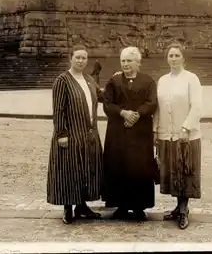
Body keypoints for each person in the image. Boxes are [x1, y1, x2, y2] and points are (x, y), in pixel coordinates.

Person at [47, 44, 103, 224]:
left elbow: (101, 96)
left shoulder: (88, 79)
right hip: (70, 135)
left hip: (88, 134)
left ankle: (82, 206)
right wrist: (61, 134)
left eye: (84, 58)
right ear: (70, 58)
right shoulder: (62, 80)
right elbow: (58, 110)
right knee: (69, 170)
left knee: (85, 170)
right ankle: (68, 208)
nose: (81, 61)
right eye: (77, 57)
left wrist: (116, 81)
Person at [102, 46, 158, 220]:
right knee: (119, 167)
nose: (126, 64)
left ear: (138, 62)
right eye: (123, 61)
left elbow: (152, 102)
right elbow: (107, 104)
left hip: (140, 134)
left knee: (139, 168)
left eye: (129, 61)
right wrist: (123, 112)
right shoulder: (114, 81)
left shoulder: (148, 81)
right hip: (118, 133)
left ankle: (139, 206)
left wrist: (137, 114)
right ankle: (121, 205)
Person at [153, 42, 202, 230]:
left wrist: (186, 128)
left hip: (186, 136)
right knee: (173, 172)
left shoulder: (192, 79)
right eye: (170, 55)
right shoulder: (163, 80)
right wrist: (156, 130)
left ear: (183, 58)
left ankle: (184, 210)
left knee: (185, 172)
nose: (173, 59)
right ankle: (177, 207)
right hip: (167, 134)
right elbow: (158, 107)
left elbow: (197, 106)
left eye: (176, 55)